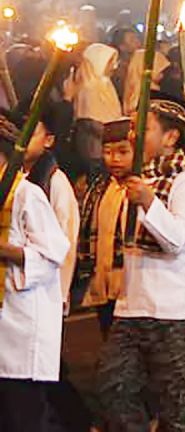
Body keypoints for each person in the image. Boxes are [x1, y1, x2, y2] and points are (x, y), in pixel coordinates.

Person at [96, 95, 185, 432]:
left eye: (144, 128)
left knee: (176, 408)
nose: (134, 134)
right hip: (131, 306)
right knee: (114, 389)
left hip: (177, 311)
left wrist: (149, 202)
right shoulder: (136, 181)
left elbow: (178, 240)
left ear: (171, 137)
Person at [0, 113, 71, 431]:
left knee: (24, 416)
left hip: (22, 325)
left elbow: (53, 252)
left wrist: (5, 252)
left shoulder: (27, 194)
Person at [75, 118, 134, 339]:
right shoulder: (99, 188)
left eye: (122, 152)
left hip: (131, 284)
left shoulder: (143, 188)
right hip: (102, 281)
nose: (114, 159)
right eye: (108, 152)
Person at [63, 42, 123, 173]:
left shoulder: (106, 85)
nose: (114, 67)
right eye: (109, 62)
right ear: (98, 63)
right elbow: (90, 122)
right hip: (94, 152)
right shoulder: (89, 88)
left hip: (110, 149)